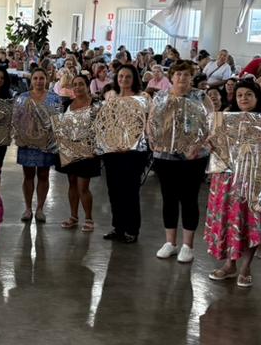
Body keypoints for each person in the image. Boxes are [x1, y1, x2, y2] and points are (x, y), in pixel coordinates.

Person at [206, 80, 261, 286]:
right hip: (226, 179)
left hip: (254, 180)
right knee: (229, 219)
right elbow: (215, 146)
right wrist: (210, 142)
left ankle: (245, 267)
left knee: (250, 221)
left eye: (248, 94)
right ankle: (230, 264)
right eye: (240, 95)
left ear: (257, 97)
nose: (243, 98)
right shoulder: (225, 118)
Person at [148, 61, 213, 264]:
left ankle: (187, 245)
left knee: (189, 198)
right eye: (178, 74)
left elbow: (212, 124)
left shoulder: (201, 97)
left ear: (191, 77)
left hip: (194, 156)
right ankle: (170, 242)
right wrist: (152, 139)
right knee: (169, 198)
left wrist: (199, 146)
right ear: (172, 77)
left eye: (186, 74)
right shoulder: (161, 96)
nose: (182, 78)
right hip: (165, 155)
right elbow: (151, 121)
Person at [102, 66, 149, 244]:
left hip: (133, 152)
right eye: (121, 76)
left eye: (128, 76)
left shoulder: (142, 98)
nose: (123, 79)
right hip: (112, 150)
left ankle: (132, 229)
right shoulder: (110, 96)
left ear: (134, 78)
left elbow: (146, 124)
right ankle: (118, 227)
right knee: (114, 190)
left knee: (130, 191)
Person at [15, 69, 61, 223]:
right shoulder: (23, 98)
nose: (39, 81)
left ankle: (40, 208)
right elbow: (16, 120)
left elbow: (58, 120)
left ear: (46, 80)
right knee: (28, 176)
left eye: (42, 78)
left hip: (46, 143)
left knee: (43, 175)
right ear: (31, 80)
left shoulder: (54, 98)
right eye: (35, 78)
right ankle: (28, 208)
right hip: (27, 143)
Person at [57, 74, 99, 232]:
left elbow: (100, 129)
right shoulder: (67, 104)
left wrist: (96, 149)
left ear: (87, 86)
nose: (78, 87)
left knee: (83, 186)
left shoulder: (95, 105)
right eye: (75, 84)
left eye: (81, 84)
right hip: (69, 148)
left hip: (87, 150)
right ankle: (73, 217)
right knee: (72, 183)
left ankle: (89, 218)